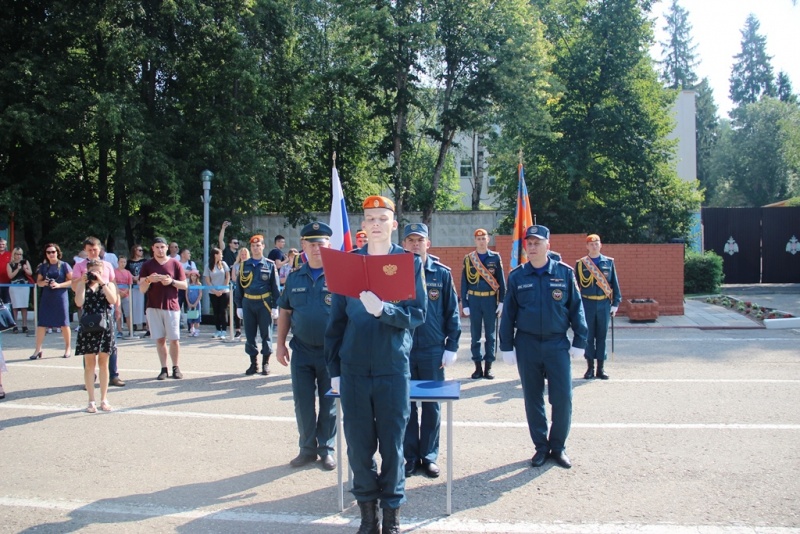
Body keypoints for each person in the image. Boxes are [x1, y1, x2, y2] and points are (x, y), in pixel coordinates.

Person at [325, 195, 427, 534]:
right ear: (363, 225)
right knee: (358, 445)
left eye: (382, 218)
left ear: (393, 224)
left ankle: (392, 516)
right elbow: (336, 323)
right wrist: (334, 371)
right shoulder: (348, 264)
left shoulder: (408, 262)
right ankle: (368, 516)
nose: (376, 224)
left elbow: (418, 314)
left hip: (391, 368)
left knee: (393, 446)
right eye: (370, 218)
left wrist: (386, 311)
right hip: (353, 369)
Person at [499, 225, 588, 470]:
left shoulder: (564, 273)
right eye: (529, 242)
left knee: (562, 398)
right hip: (526, 343)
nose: (533, 246)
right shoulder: (517, 276)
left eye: (538, 242)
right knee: (533, 398)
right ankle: (540, 447)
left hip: (556, 343)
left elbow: (576, 309)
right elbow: (509, 313)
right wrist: (506, 345)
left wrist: (580, 340)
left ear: (548, 245)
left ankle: (558, 447)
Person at [401, 223, 460, 479]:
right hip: (403, 349)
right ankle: (411, 456)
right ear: (403, 244)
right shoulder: (394, 272)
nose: (415, 244)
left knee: (432, 406)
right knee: (406, 406)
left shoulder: (442, 274)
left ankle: (430, 455)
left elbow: (452, 312)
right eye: (410, 240)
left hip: (433, 350)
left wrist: (452, 346)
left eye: (420, 240)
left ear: (428, 244)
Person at [276, 222, 337, 471]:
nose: (316, 249)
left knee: (329, 403)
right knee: (302, 402)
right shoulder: (294, 277)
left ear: (329, 246)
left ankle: (327, 449)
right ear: (303, 246)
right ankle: (307, 449)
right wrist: (279, 344)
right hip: (301, 350)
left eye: (320, 244)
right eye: (311, 244)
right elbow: (285, 311)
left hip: (330, 352)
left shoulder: (339, 276)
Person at [72, 237, 125, 387]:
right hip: (89, 308)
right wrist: (82, 280)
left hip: (107, 306)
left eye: (95, 249)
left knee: (111, 344)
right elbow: (74, 286)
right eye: (89, 250)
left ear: (100, 249)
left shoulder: (107, 265)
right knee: (88, 345)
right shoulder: (79, 266)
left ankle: (113, 375)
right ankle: (90, 376)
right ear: (85, 250)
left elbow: (113, 284)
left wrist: (118, 305)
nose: (92, 252)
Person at [138, 237, 187, 380]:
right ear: (153, 248)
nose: (160, 250)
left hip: (171, 306)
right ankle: (163, 368)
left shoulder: (175, 264)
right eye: (157, 247)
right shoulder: (147, 265)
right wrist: (148, 280)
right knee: (159, 339)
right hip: (153, 306)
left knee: (174, 339)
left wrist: (171, 281)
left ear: (167, 248)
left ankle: (176, 367)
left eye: (162, 247)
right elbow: (142, 288)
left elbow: (184, 285)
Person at [461, 228, 506, 380]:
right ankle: (477, 367)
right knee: (475, 336)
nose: (481, 241)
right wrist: (465, 303)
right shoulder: (469, 259)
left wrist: (501, 301)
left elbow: (501, 281)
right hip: (474, 300)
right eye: (478, 239)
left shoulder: (495, 258)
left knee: (491, 336)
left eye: (483, 238)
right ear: (475, 241)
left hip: (489, 300)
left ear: (488, 240)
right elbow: (464, 283)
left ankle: (488, 367)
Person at [577, 234, 622, 380]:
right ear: (587, 246)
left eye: (596, 244)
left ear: (600, 245)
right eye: (591, 244)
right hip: (587, 303)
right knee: (589, 337)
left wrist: (615, 303)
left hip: (603, 303)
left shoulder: (608, 262)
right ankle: (590, 368)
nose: (594, 246)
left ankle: (600, 369)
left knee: (601, 337)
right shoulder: (581, 264)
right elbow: (575, 288)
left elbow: (614, 284)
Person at [74, 259, 117, 413]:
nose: (97, 274)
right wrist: (82, 283)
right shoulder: (82, 284)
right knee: (89, 362)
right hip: (88, 326)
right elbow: (79, 302)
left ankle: (104, 399)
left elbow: (113, 300)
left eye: (100, 271)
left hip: (105, 325)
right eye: (94, 272)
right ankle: (91, 400)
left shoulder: (108, 284)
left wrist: (102, 282)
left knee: (104, 362)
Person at [234, 235, 280, 376]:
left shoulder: (270, 265)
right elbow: (239, 287)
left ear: (263, 246)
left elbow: (275, 287)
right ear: (250, 248)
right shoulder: (244, 265)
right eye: (253, 246)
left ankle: (266, 363)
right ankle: (253, 363)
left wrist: (275, 306)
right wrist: (239, 305)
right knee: (250, 334)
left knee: (266, 334)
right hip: (248, 303)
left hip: (264, 303)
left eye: (258, 245)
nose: (255, 248)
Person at [30, 243, 73, 359]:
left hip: (60, 295)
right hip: (47, 296)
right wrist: (44, 283)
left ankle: (68, 348)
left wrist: (59, 285)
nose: (51, 254)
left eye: (53, 252)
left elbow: (72, 281)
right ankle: (38, 349)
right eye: (48, 252)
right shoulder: (43, 267)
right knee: (42, 323)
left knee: (64, 322)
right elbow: (38, 282)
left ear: (57, 253)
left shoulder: (64, 265)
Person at [204, 247, 231, 339]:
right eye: (220, 254)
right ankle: (217, 330)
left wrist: (223, 289)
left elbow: (227, 276)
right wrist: (214, 291)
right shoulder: (208, 265)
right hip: (213, 292)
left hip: (224, 291)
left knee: (223, 311)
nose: (222, 256)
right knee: (216, 311)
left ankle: (224, 330)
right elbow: (207, 280)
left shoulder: (224, 264)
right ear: (215, 255)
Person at [7, 247, 33, 334]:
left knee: (24, 306)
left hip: (24, 286)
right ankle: (15, 325)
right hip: (14, 286)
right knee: (15, 306)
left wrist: (25, 269)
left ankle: (24, 325)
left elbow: (30, 273)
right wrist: (17, 269)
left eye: (20, 254)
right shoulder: (10, 264)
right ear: (14, 254)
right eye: (17, 254)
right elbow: (10, 276)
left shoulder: (25, 262)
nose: (19, 256)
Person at [126, 244, 148, 332]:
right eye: (139, 250)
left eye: (142, 250)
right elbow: (127, 271)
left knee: (142, 304)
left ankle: (143, 323)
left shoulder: (145, 261)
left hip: (142, 284)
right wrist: (133, 277)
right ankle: (134, 324)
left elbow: (146, 271)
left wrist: (139, 276)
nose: (141, 252)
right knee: (133, 305)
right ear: (134, 250)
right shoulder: (129, 262)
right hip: (132, 285)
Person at [230, 247, 250, 338]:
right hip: (238, 289)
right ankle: (238, 330)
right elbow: (233, 278)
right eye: (242, 254)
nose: (243, 256)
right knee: (237, 309)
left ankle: (249, 329)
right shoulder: (236, 265)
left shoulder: (250, 264)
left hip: (248, 289)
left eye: (245, 254)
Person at [115, 256, 134, 336]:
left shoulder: (128, 272)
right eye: (121, 262)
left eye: (124, 262)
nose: (123, 264)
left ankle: (130, 331)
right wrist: (119, 291)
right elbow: (113, 283)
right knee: (118, 313)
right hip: (116, 294)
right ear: (118, 262)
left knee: (128, 313)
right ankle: (119, 331)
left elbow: (130, 284)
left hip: (126, 294)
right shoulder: (114, 271)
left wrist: (125, 292)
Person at [186, 271, 203, 337]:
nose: (193, 277)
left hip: (197, 303)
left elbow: (200, 294)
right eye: (192, 276)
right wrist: (188, 302)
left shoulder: (199, 284)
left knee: (197, 317)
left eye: (194, 276)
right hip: (190, 302)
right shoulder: (188, 284)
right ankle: (192, 330)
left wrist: (196, 303)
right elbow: (186, 294)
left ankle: (196, 330)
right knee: (191, 316)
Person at [0, 238, 11, 305]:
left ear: (6, 245)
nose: (1, 246)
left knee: (6, 301)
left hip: (7, 282)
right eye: (0, 244)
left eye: (3, 244)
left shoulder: (9, 254)